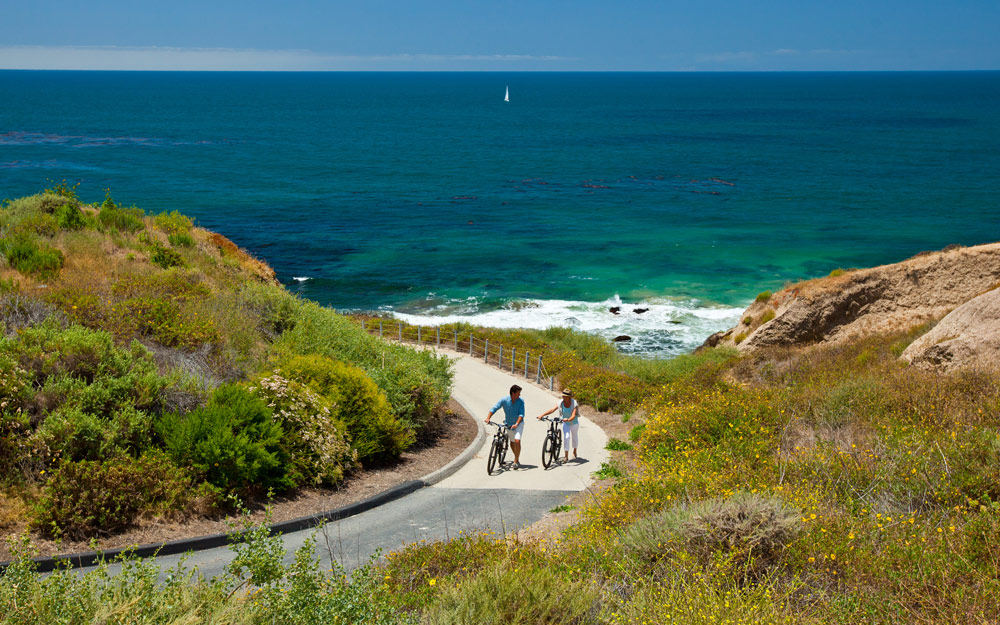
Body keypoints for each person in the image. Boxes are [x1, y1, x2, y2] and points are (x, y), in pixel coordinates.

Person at [485, 384, 525, 469]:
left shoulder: (521, 401)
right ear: (513, 393)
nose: (519, 395)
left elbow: (521, 414)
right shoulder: (504, 400)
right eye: (518, 393)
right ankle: (516, 457)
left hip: (518, 424)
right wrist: (488, 418)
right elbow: (494, 408)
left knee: (517, 441)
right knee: (512, 442)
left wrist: (517, 424)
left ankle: (515, 461)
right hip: (508, 424)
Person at [537, 388, 579, 463]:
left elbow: (573, 415)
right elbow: (552, 410)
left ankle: (574, 451)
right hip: (565, 423)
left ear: (569, 397)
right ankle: (566, 456)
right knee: (566, 437)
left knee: (574, 437)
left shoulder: (574, 403)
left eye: (565, 396)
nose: (563, 397)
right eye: (563, 396)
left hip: (574, 423)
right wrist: (542, 415)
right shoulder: (560, 402)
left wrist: (568, 419)